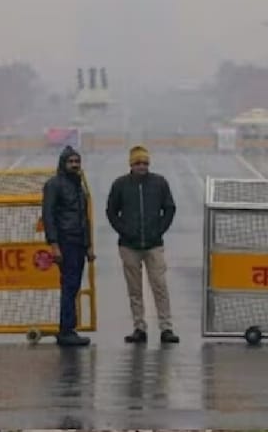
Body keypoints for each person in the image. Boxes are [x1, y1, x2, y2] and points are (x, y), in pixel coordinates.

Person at [106, 145, 179, 344]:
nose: (142, 166)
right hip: (129, 246)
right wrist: (124, 230)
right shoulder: (120, 184)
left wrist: (159, 230)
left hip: (154, 244)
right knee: (135, 289)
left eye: (145, 163)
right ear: (131, 164)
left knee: (160, 286)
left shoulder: (159, 183)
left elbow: (170, 208)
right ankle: (139, 327)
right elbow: (111, 211)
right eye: (138, 163)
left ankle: (166, 328)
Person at [42, 145, 95, 347]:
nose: (74, 165)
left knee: (73, 287)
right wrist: (54, 245)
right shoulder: (54, 185)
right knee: (69, 286)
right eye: (71, 162)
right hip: (65, 242)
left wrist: (88, 246)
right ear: (63, 164)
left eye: (77, 162)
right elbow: (48, 217)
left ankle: (68, 328)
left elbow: (84, 218)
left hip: (78, 243)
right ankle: (66, 330)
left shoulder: (78, 186)